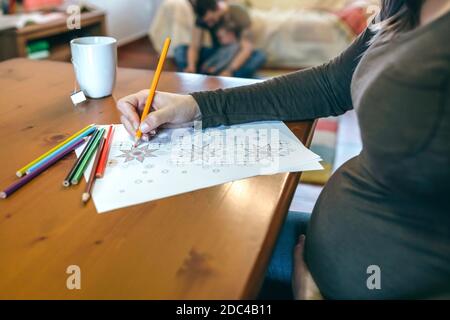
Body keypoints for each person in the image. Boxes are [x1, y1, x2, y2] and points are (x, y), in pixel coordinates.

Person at [117, 0, 450, 299]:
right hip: (319, 252)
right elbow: (332, 83)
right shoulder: (404, 6)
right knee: (160, 246)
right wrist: (198, 106)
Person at [174, 0, 266, 78]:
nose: (209, 25)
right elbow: (195, 46)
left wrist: (229, 70)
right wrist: (191, 66)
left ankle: (224, 76)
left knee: (259, 56)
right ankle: (194, 75)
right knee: (180, 50)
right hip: (217, 54)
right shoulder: (202, 18)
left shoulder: (238, 12)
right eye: (207, 22)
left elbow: (246, 48)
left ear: (218, 8)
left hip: (237, 55)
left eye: (211, 20)